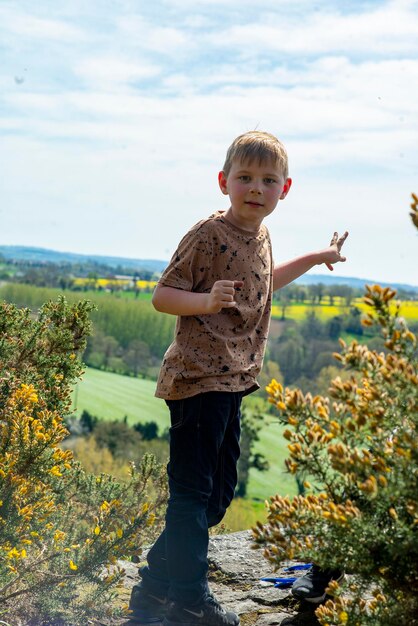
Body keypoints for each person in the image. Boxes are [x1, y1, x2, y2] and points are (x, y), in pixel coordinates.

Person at [129, 130, 348, 626]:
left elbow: (265, 281)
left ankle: (153, 587)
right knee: (192, 495)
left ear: (284, 190)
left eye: (268, 180)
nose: (256, 187)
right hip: (198, 379)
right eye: (245, 177)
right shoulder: (208, 234)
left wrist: (317, 257)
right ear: (224, 181)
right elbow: (163, 296)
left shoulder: (262, 235)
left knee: (218, 494)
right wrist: (205, 301)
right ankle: (187, 599)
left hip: (233, 383)